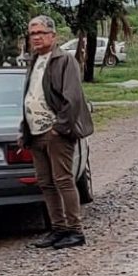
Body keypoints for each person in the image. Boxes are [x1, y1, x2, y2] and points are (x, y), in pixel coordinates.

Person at [21, 15, 93, 250]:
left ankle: (75, 230)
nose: (37, 37)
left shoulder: (64, 60)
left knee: (63, 180)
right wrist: (25, 129)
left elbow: (71, 99)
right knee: (46, 182)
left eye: (41, 32)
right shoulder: (34, 60)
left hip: (55, 132)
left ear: (53, 35)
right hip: (35, 132)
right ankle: (58, 228)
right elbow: (30, 96)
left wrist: (58, 128)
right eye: (33, 34)